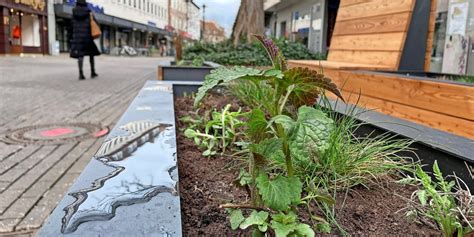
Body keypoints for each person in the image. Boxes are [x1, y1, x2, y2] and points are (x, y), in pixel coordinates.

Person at [70, 0, 100, 80]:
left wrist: (72, 36)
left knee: (80, 55)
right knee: (91, 54)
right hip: (87, 37)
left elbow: (71, 24)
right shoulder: (88, 12)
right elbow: (95, 22)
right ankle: (92, 72)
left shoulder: (74, 12)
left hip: (78, 37)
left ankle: (81, 74)